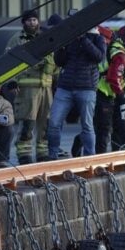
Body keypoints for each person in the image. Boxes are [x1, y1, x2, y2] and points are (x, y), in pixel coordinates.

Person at [48, 27, 105, 159]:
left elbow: (99, 57)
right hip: (65, 87)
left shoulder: (98, 38)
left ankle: (89, 158)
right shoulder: (69, 37)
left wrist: (83, 39)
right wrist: (60, 46)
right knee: (54, 122)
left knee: (87, 125)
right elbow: (59, 61)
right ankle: (52, 155)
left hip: (87, 87)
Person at [6, 9, 55, 164]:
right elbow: (8, 62)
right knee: (27, 124)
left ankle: (42, 154)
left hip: (46, 88)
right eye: (29, 20)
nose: (32, 23)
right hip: (26, 90)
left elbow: (55, 60)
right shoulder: (16, 40)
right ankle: (24, 155)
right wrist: (11, 81)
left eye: (34, 20)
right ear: (23, 22)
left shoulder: (45, 38)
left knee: (45, 123)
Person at [94, 27, 125, 153]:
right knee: (106, 130)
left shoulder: (103, 46)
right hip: (106, 92)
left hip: (103, 91)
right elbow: (113, 77)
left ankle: (109, 159)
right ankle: (106, 161)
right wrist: (122, 97)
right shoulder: (120, 54)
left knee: (104, 130)